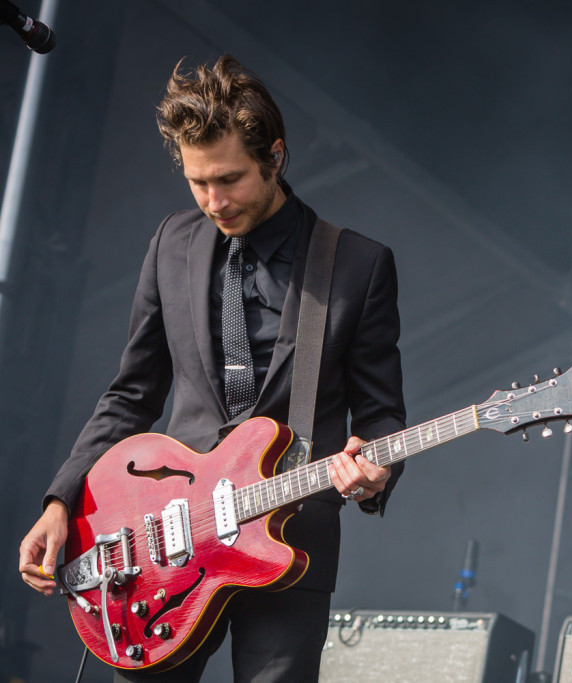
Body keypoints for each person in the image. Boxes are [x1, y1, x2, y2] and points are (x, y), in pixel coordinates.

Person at [16, 55, 406, 682]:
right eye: (198, 183)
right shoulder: (172, 242)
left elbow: (383, 412)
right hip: (167, 545)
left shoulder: (357, 265)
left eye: (229, 180)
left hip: (290, 536)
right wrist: (62, 498)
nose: (213, 201)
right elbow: (131, 394)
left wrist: (376, 470)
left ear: (275, 156)